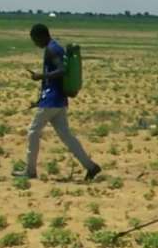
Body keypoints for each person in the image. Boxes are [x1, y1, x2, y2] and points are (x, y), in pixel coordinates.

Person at [15, 23, 101, 181]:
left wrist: (41, 76)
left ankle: (30, 171)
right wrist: (39, 101)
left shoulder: (52, 49)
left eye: (35, 40)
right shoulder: (55, 48)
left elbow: (62, 70)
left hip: (52, 100)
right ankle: (91, 166)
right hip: (57, 100)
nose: (35, 43)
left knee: (33, 132)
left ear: (41, 36)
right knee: (66, 136)